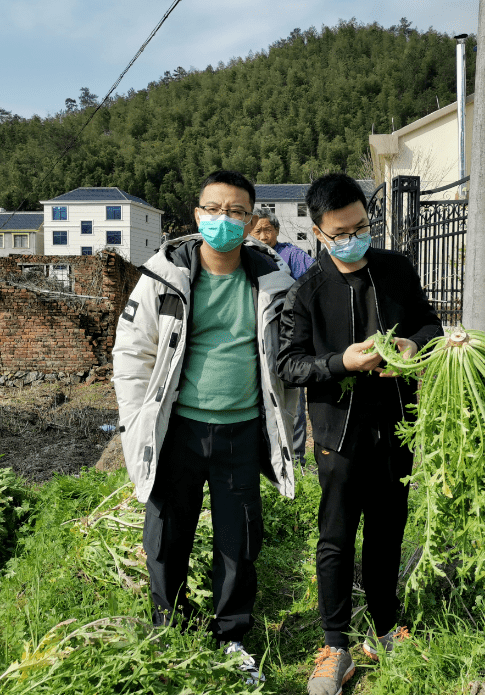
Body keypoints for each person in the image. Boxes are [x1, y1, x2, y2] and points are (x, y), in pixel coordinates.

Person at [111, 170, 297, 685]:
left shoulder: (273, 280)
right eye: (213, 210)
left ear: (251, 219)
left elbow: (291, 354)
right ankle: (167, 626)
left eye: (236, 212)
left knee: (239, 543)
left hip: (241, 432)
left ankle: (232, 635)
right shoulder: (163, 274)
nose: (223, 220)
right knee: (167, 536)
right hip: (179, 431)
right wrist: (137, 424)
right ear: (196, 216)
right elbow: (131, 354)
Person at [277, 173, 443, 695]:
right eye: (341, 231)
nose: (354, 237)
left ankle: (386, 626)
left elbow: (430, 325)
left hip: (396, 425)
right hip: (337, 432)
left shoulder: (395, 269)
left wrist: (417, 348)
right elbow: (290, 364)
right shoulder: (307, 290)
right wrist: (340, 362)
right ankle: (335, 644)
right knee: (336, 537)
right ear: (319, 233)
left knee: (389, 529)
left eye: (361, 226)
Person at [250, 209, 314, 462]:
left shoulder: (292, 256)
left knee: (291, 394)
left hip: (286, 336)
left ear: (276, 230)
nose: (264, 236)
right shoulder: (243, 256)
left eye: (268, 230)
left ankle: (295, 457)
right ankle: (263, 456)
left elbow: (311, 286)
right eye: (258, 231)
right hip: (253, 336)